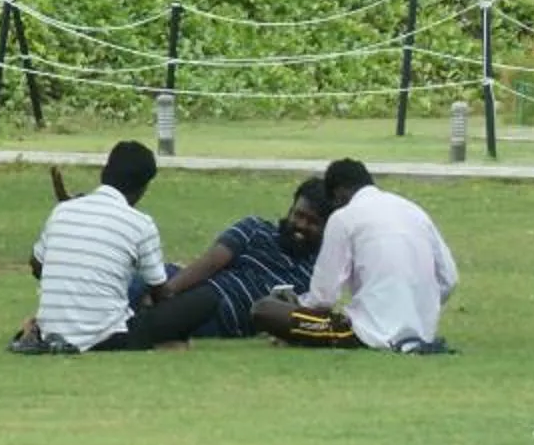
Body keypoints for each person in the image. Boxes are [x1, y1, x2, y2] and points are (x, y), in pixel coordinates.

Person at [251, 158, 459, 352]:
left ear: (338, 194)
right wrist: (415, 308)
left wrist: (296, 305)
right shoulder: (415, 211)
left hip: (367, 334)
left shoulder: (343, 218)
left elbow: (323, 299)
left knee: (264, 309)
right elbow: (449, 279)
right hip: (422, 333)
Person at [122, 178, 328, 345]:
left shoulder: (316, 274)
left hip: (217, 316)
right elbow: (211, 262)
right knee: (136, 283)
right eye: (298, 215)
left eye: (312, 222)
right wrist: (164, 293)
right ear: (290, 210)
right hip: (185, 284)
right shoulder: (256, 228)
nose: (301, 225)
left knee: (145, 323)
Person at [20, 141, 166, 352]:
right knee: (195, 299)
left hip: (50, 330)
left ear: (103, 173)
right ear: (143, 187)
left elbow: (36, 266)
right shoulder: (140, 223)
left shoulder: (62, 211)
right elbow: (159, 292)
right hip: (107, 336)